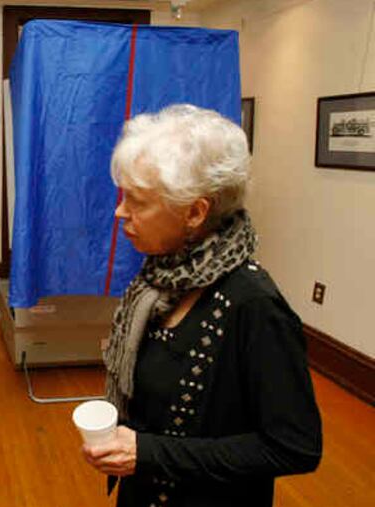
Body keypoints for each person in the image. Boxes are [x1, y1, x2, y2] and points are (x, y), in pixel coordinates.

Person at [82, 104, 322, 506]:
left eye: (138, 201)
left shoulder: (255, 305)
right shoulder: (160, 277)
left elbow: (295, 447)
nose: (120, 211)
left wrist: (148, 452)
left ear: (195, 212)